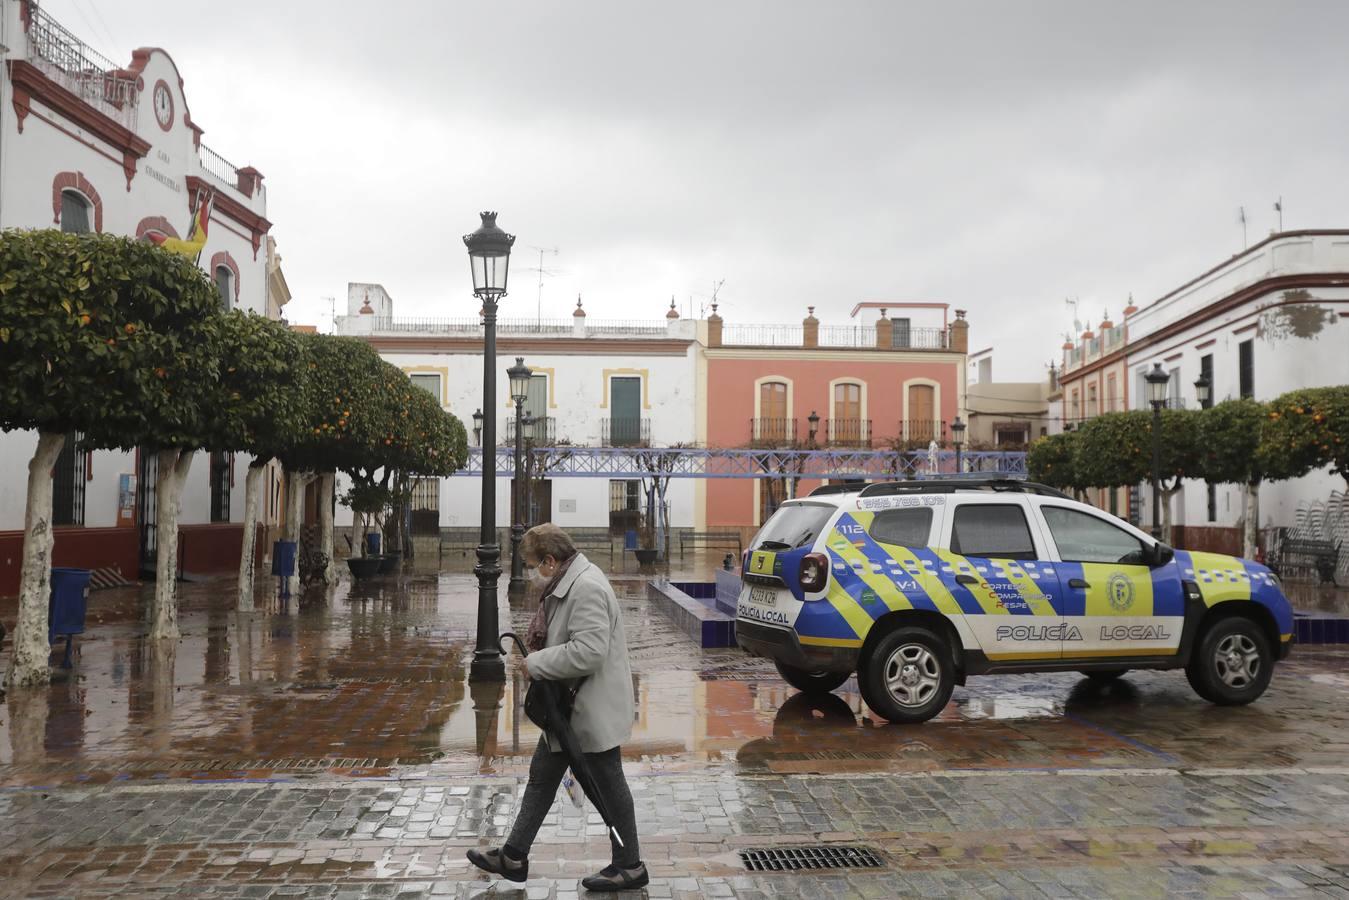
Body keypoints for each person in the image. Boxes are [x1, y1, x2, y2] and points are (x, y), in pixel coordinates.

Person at [468, 523, 646, 891]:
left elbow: (590, 652)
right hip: (568, 709)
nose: (532, 573)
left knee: (609, 785)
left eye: (533, 565)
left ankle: (630, 865)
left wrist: (536, 663)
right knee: (542, 777)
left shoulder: (587, 588)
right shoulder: (568, 583)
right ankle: (514, 855)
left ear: (550, 561)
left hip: (589, 710)